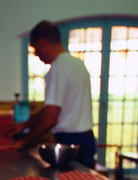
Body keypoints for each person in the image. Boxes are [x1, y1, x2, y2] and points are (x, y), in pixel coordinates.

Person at [6, 21, 97, 169]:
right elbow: (52, 108)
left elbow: (50, 120)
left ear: (42, 43)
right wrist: (24, 125)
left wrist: (21, 142)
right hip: (86, 138)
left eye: (35, 49)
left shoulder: (58, 69)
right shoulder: (77, 64)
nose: (36, 54)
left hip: (70, 142)